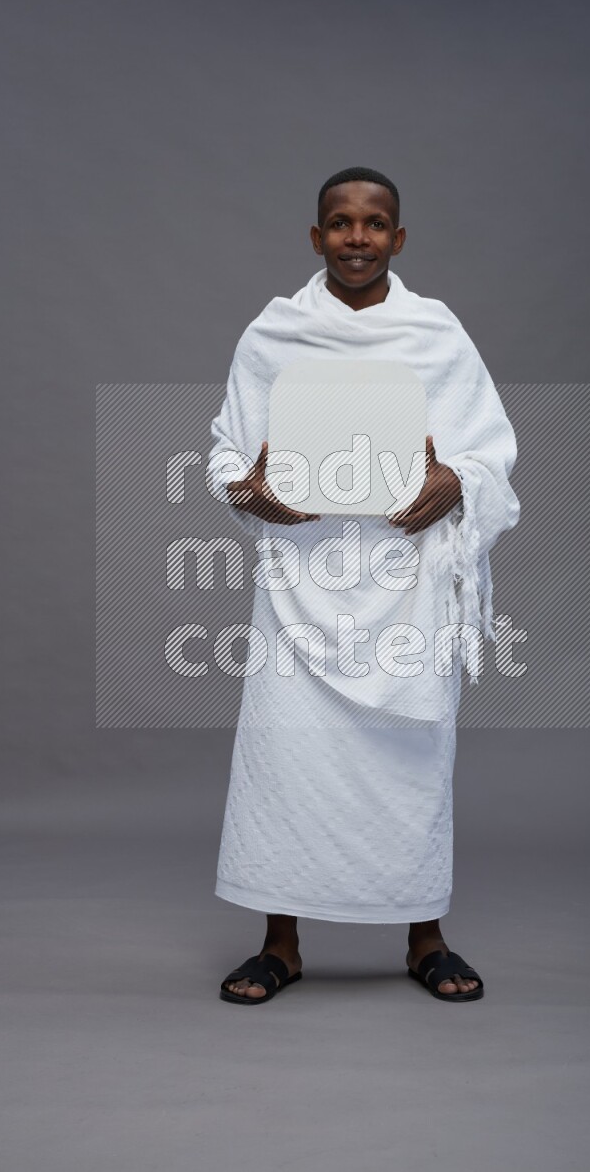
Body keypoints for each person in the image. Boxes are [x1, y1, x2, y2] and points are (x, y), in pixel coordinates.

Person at [207, 166, 520, 1004]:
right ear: (315, 238)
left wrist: (458, 484)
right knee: (286, 757)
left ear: (398, 238)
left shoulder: (436, 333)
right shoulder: (273, 335)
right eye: (339, 223)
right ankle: (280, 943)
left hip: (404, 585)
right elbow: (226, 458)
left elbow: (491, 450)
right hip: (301, 582)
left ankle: (426, 936)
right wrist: (254, 493)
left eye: (373, 223)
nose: (356, 237)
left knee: (414, 757)